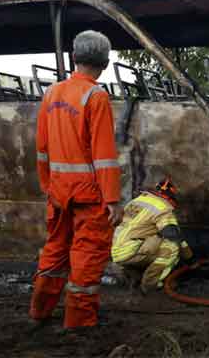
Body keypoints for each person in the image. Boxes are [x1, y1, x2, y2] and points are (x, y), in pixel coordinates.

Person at [29, 30, 123, 331]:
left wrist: (48, 186)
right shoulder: (96, 96)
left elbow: (42, 148)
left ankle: (40, 311)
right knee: (87, 255)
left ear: (74, 58)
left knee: (55, 250)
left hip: (58, 192)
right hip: (89, 196)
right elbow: (105, 155)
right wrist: (112, 200)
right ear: (105, 64)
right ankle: (79, 322)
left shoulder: (51, 94)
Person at [111, 176, 194, 295]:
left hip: (117, 251)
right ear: (170, 197)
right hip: (132, 250)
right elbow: (173, 235)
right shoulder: (163, 207)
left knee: (153, 240)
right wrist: (189, 257)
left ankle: (134, 277)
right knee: (171, 248)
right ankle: (151, 285)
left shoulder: (137, 201)